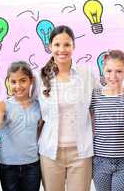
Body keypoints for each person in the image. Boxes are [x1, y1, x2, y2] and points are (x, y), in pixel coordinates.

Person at [35, 25, 97, 191]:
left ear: (74, 46)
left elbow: (104, 100)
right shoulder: (39, 77)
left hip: (81, 152)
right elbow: (24, 104)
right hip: (50, 152)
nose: (62, 49)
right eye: (57, 45)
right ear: (50, 47)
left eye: (67, 45)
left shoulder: (87, 74)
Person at [90, 49, 124, 191]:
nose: (113, 76)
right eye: (109, 71)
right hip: (100, 161)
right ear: (103, 70)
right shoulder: (95, 96)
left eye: (119, 71)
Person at [0, 61, 42, 191]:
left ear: (31, 81)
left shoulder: (39, 105)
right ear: (8, 82)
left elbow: (41, 132)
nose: (18, 86)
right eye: (13, 82)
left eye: (23, 81)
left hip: (32, 165)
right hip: (8, 166)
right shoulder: (3, 105)